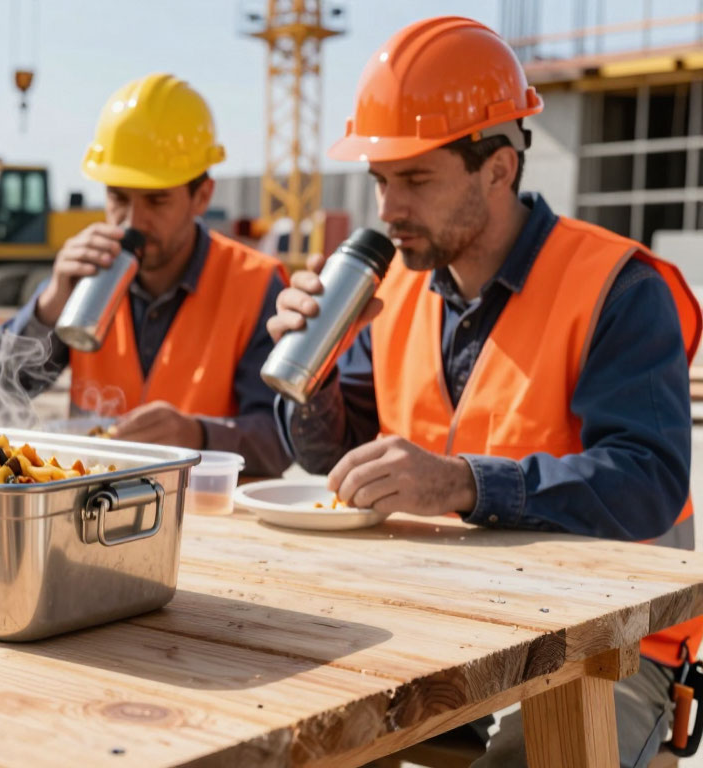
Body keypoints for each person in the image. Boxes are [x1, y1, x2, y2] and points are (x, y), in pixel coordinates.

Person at [267, 18, 701, 767]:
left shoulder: (618, 288)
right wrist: (316, 373)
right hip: (442, 625)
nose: (386, 209)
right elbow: (337, 454)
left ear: (498, 169)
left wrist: (464, 484)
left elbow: (648, 483)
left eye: (415, 179)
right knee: (289, 734)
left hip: (604, 642)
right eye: (380, 180)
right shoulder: (394, 292)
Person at [0, 73, 291, 476]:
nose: (133, 221)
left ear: (201, 196)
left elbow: (280, 440)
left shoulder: (255, 283)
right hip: (88, 513)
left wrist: (198, 435)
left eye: (156, 199)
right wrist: (50, 306)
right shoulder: (82, 280)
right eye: (117, 197)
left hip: (209, 522)